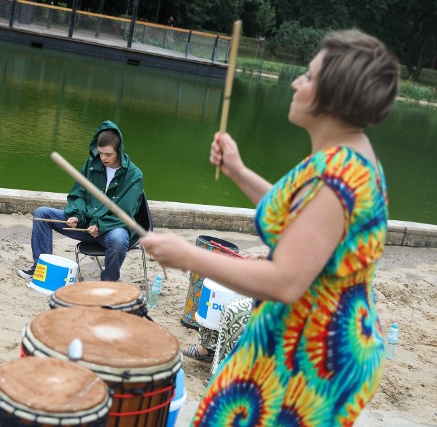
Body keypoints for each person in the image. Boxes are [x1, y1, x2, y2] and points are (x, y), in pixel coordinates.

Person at [141, 29, 399, 425]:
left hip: (317, 352)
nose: (296, 82)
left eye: (309, 77)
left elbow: (285, 280)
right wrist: (238, 171)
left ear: (335, 95)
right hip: (309, 333)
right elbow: (302, 218)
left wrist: (189, 256)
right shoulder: (345, 157)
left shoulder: (337, 178)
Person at [18, 120, 143, 282]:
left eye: (108, 154)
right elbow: (79, 195)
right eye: (101, 153)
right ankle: (41, 270)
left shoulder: (134, 175)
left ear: (118, 150)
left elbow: (125, 212)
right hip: (85, 225)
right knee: (41, 214)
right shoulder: (91, 166)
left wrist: (100, 225)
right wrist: (77, 215)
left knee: (119, 238)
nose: (103, 158)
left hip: (110, 230)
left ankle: (108, 283)